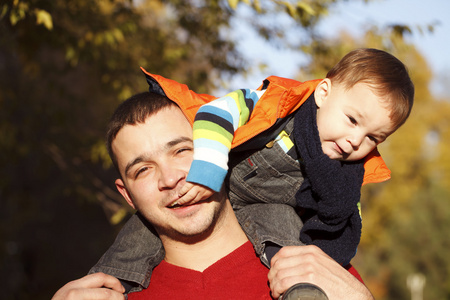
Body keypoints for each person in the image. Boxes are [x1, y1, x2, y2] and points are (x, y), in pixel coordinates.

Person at [89, 47, 414, 288]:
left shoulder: (326, 266)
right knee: (127, 249)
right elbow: (218, 114)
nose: (355, 140)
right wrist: (209, 170)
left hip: (274, 215)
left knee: (289, 244)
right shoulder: (277, 103)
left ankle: (302, 293)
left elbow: (344, 219)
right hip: (235, 175)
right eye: (142, 169)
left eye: (374, 137)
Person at [52, 91, 374, 299]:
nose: (170, 178)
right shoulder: (107, 294)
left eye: (182, 150)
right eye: (143, 170)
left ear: (218, 148)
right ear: (128, 195)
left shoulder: (312, 266)